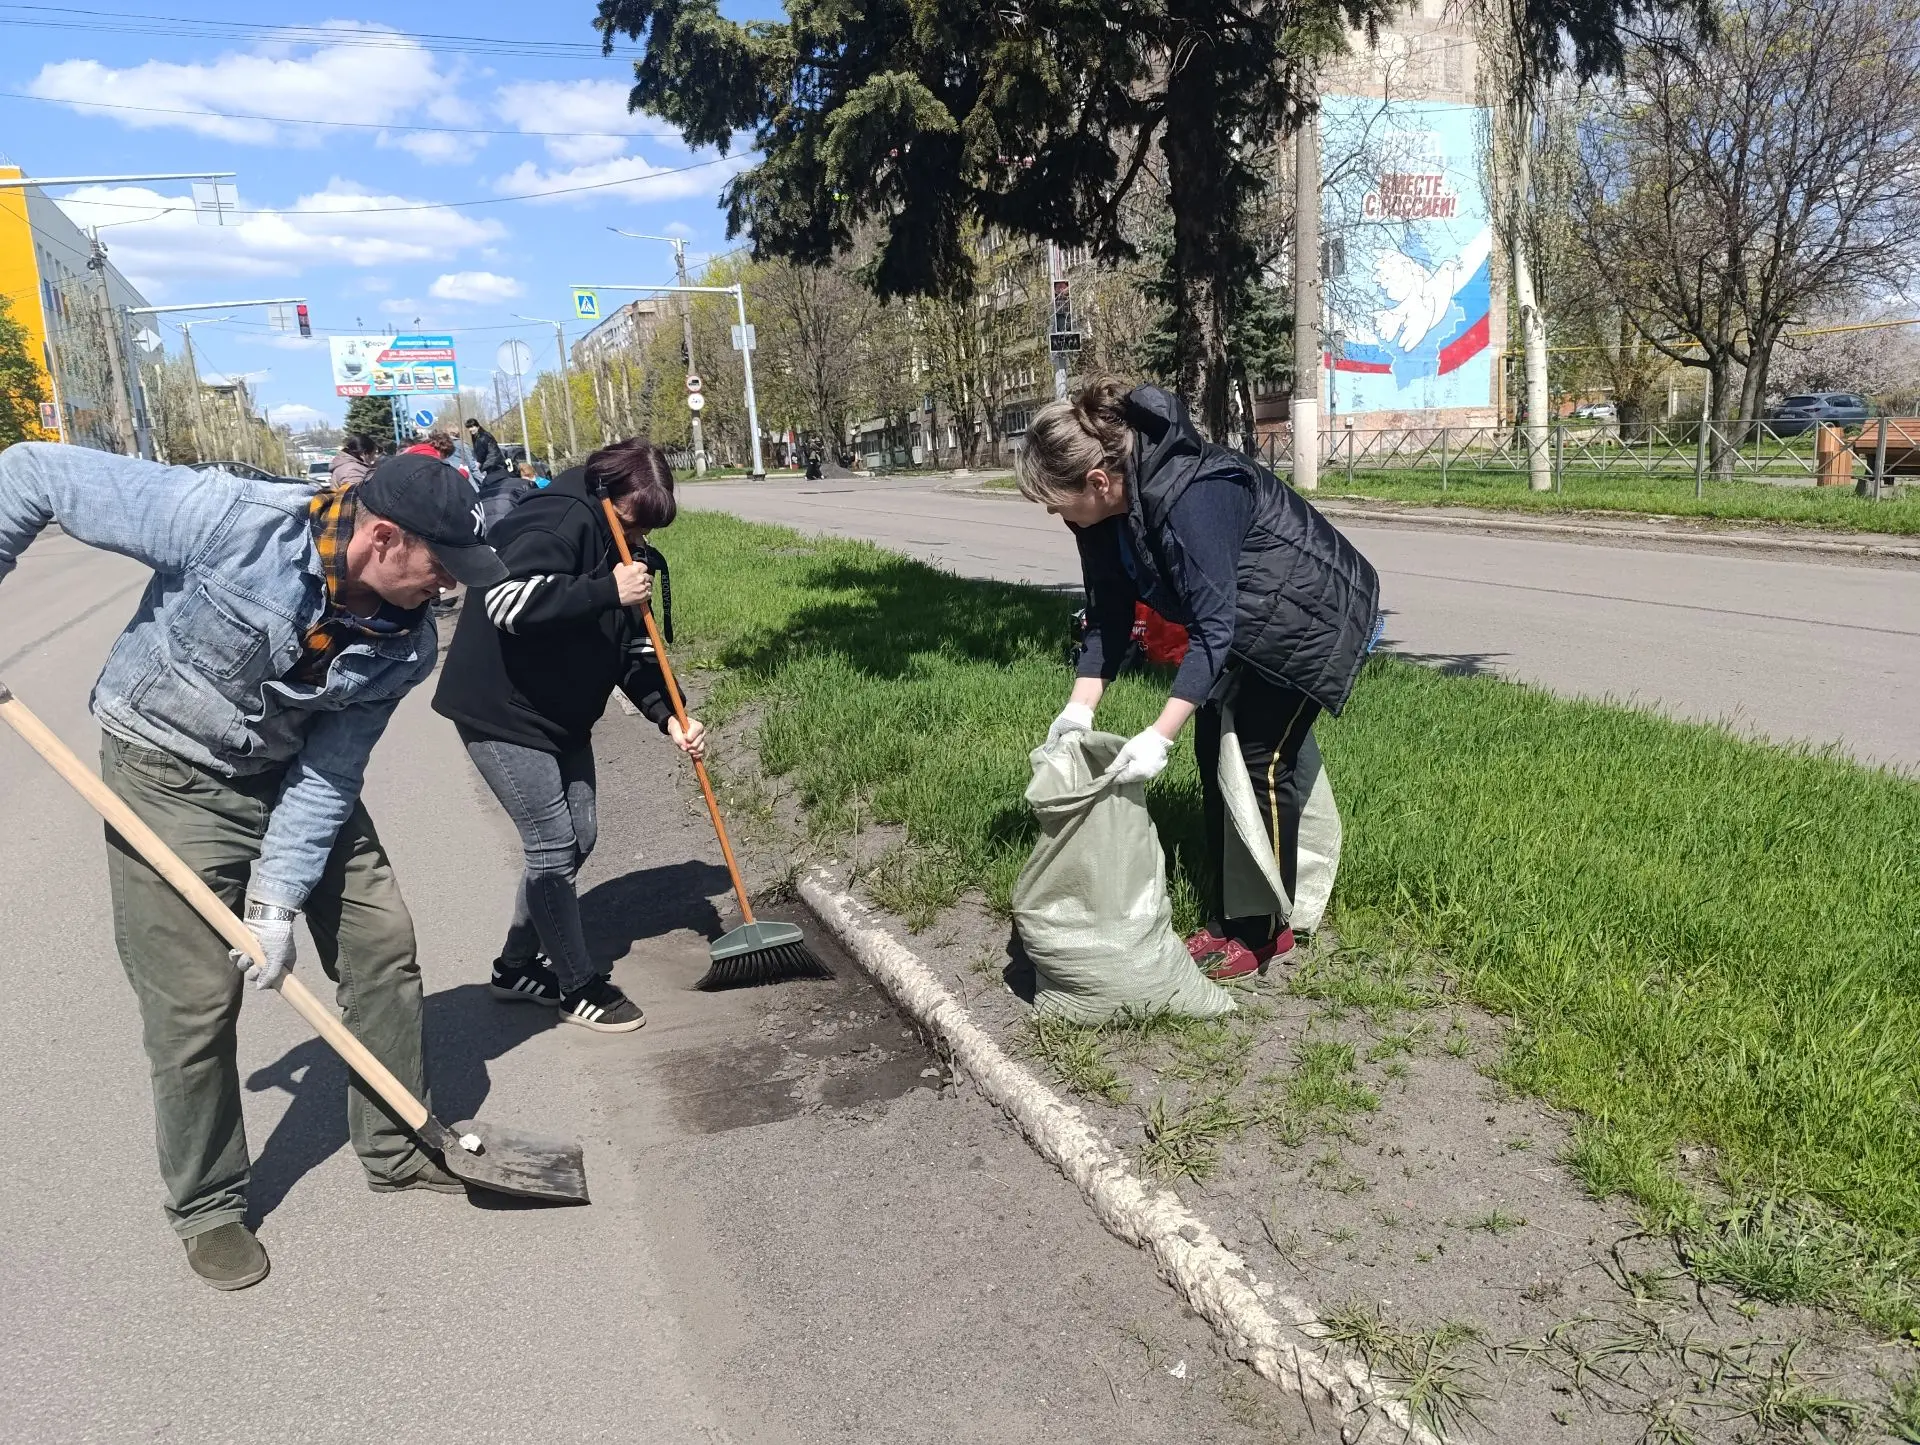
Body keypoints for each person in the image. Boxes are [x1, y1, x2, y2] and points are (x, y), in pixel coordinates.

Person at [0, 444, 509, 1291]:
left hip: (290, 770)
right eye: (439, 568)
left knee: (382, 942)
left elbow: (329, 772)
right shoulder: (230, 521)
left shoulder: (409, 643)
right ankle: (207, 1204)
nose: (446, 589)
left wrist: (275, 899)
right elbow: (28, 472)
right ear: (383, 539)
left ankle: (396, 1144)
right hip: (168, 771)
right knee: (194, 1002)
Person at [1020, 379, 1380, 980]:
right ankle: (1233, 913)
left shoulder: (1191, 494)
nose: (1056, 516)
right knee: (1216, 750)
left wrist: (1159, 734)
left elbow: (1213, 629)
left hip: (1309, 615)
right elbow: (1109, 614)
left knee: (1262, 758)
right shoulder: (1098, 518)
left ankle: (1263, 933)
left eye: (1057, 503)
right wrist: (1078, 709)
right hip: (1246, 616)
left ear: (1097, 482)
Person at [433, 438, 705, 1034]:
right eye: (636, 523)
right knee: (552, 845)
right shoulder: (555, 518)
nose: (641, 540)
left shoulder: (621, 546)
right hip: (501, 710)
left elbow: (635, 649)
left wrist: (672, 715)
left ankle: (514, 966)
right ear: (609, 494)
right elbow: (504, 602)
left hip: (562, 714)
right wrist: (607, 589)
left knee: (579, 837)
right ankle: (577, 985)